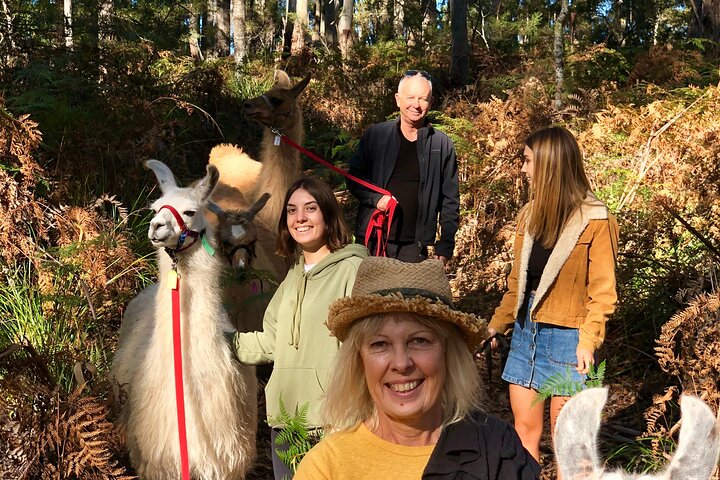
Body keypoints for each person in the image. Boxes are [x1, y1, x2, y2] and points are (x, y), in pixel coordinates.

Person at [294, 257, 541, 479]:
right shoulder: (326, 468)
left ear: (447, 353)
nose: (401, 363)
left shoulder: (496, 449)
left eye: (419, 341)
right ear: (359, 360)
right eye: (380, 344)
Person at [484, 126, 619, 467]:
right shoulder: (529, 215)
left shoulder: (596, 220)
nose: (523, 169)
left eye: (528, 161)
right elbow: (518, 282)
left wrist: (588, 341)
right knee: (524, 434)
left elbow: (603, 292)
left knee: (567, 445)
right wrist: (496, 327)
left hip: (569, 339)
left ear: (549, 166)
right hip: (526, 333)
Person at [228, 176, 369, 480]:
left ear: (329, 215)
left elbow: (368, 348)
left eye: (310, 208)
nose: (300, 218)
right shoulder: (292, 279)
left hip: (334, 423)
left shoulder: (353, 270)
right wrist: (219, 341)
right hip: (287, 422)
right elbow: (270, 342)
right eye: (291, 211)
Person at [348, 70, 459, 265]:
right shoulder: (376, 135)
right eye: (410, 98)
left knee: (407, 296)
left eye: (423, 99)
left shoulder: (442, 145)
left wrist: (446, 244)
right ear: (398, 100)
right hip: (373, 239)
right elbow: (354, 177)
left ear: (430, 103)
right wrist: (376, 199)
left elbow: (450, 200)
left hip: (413, 247)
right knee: (369, 296)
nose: (416, 105)